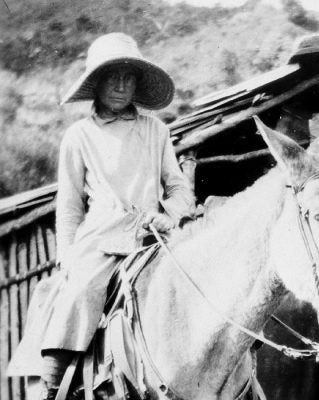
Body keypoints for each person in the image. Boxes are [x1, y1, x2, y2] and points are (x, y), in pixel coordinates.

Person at [14, 32, 196, 400]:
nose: (121, 84)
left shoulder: (156, 131)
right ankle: (51, 385)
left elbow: (178, 189)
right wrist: (67, 258)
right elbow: (68, 206)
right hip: (101, 239)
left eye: (129, 77)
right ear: (96, 82)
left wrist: (170, 215)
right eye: (112, 76)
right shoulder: (78, 136)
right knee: (78, 291)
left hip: (151, 235)